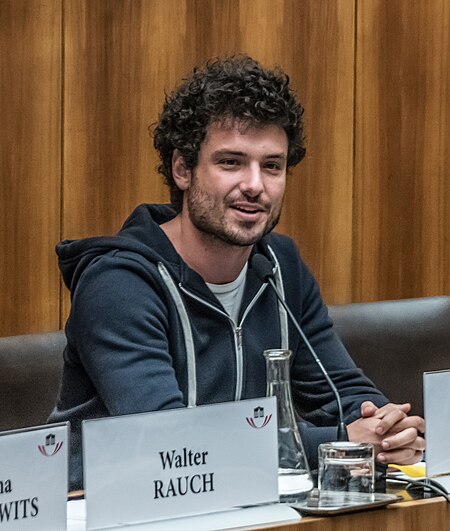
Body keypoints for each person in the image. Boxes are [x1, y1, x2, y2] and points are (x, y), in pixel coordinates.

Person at [49, 55, 425, 491]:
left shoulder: (280, 265)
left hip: (239, 504)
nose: (255, 185)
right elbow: (172, 445)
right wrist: (340, 442)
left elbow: (340, 392)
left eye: (272, 166)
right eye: (231, 162)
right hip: (105, 509)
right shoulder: (118, 283)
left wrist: (385, 428)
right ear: (182, 169)